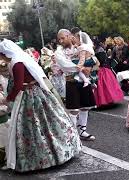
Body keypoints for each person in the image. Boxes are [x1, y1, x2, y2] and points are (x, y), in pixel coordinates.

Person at [0, 39, 81, 172]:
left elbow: (19, 85)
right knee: (46, 123)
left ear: (5, 53)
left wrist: (8, 99)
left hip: (29, 96)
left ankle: (39, 159)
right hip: (36, 93)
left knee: (32, 126)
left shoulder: (17, 63)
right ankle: (56, 152)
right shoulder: (20, 59)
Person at [57, 29, 96, 141]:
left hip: (83, 79)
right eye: (59, 39)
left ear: (69, 36)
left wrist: (90, 65)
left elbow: (93, 59)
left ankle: (82, 131)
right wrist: (82, 68)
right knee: (73, 109)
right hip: (71, 81)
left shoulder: (80, 46)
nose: (61, 41)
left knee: (85, 107)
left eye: (63, 38)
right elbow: (65, 65)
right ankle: (73, 134)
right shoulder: (59, 52)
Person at [93, 40, 124, 107]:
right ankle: (108, 100)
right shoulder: (98, 50)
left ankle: (106, 100)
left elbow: (101, 61)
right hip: (104, 68)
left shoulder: (99, 50)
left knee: (103, 86)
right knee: (107, 85)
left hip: (102, 69)